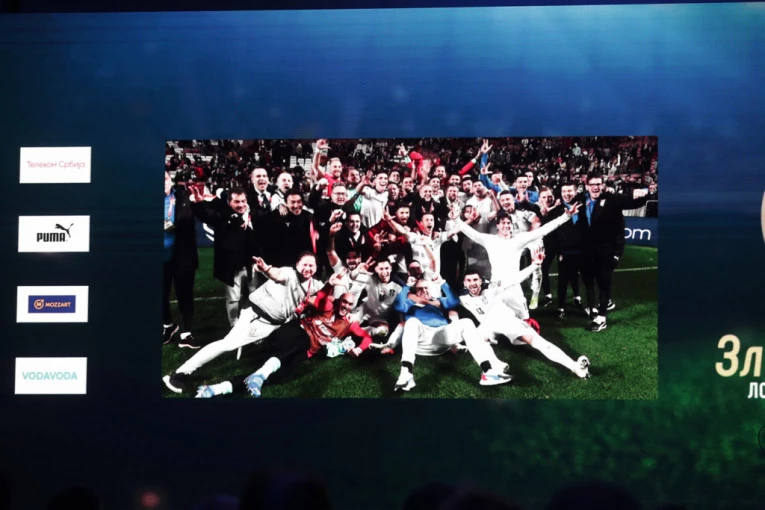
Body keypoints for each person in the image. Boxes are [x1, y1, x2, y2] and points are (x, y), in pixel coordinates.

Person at [194, 268, 373, 398]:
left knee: (278, 376)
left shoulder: (349, 324)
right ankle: (261, 374)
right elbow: (321, 299)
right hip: (292, 333)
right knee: (303, 341)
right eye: (344, 302)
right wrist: (329, 285)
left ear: (353, 307)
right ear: (339, 301)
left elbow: (366, 338)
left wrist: (360, 349)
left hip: (303, 351)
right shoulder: (328, 307)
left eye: (349, 304)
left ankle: (215, 389)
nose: (345, 306)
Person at [163, 252, 322, 394]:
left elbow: (328, 295)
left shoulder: (315, 285)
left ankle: (264, 369)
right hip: (256, 317)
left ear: (316, 267)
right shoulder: (288, 273)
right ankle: (179, 373)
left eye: (311, 265)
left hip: (274, 325)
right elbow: (277, 274)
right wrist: (266, 269)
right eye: (304, 264)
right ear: (297, 265)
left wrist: (334, 283)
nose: (307, 268)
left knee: (290, 343)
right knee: (227, 344)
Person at [459, 248, 590, 379]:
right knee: (476, 338)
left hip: (507, 321)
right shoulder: (462, 298)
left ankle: (575, 367)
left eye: (475, 280)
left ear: (481, 281)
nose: (473, 283)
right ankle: (497, 365)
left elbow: (514, 279)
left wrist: (534, 265)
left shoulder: (491, 288)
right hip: (488, 326)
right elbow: (450, 308)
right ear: (464, 283)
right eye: (469, 281)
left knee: (537, 341)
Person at [452, 201, 581, 321]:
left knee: (525, 320)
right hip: (497, 288)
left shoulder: (519, 239)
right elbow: (471, 233)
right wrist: (456, 219)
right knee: (497, 322)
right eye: (503, 223)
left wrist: (566, 216)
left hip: (514, 287)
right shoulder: (489, 240)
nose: (506, 225)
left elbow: (544, 230)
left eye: (508, 223)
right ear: (497, 225)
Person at [386, 276, 512, 391]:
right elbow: (398, 307)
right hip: (421, 340)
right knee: (411, 322)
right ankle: (406, 373)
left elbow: (454, 301)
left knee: (466, 322)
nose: (424, 290)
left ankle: (488, 372)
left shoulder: (438, 301)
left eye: (426, 288)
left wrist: (442, 283)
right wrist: (407, 286)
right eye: (420, 288)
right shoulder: (410, 302)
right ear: (415, 291)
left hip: (441, 337)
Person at [578, 172, 649, 331]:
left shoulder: (612, 199)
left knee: (604, 282)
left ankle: (602, 317)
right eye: (592, 184)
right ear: (587, 186)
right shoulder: (582, 200)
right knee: (589, 281)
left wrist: (643, 192)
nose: (595, 187)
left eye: (598, 184)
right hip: (588, 252)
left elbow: (634, 202)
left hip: (606, 251)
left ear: (603, 185)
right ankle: (597, 305)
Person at [189, 185, 258, 327]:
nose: (241, 205)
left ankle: (251, 322)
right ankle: (234, 325)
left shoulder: (252, 214)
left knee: (254, 296)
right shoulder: (222, 216)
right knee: (233, 298)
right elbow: (206, 216)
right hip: (232, 267)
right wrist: (198, 204)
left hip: (252, 264)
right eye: (236, 202)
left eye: (243, 201)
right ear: (229, 202)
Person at [163, 172, 200, 348]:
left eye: (164, 178)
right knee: (160, 295)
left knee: (184, 295)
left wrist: (197, 202)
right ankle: (168, 326)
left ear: (170, 180)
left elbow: (197, 213)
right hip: (159, 258)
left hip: (182, 256)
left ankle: (186, 333)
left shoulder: (184, 196)